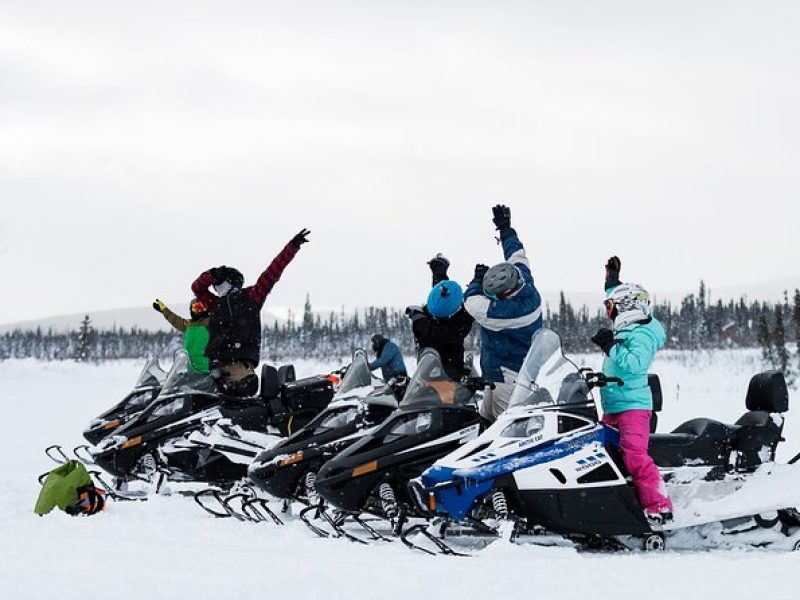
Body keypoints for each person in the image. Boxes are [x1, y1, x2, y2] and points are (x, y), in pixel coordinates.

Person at [591, 256, 673, 525]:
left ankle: (659, 506)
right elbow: (620, 298)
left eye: (612, 307)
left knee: (635, 455)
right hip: (614, 405)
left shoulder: (642, 335)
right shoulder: (630, 326)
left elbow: (635, 364)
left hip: (633, 408)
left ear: (627, 307)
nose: (609, 312)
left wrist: (610, 346)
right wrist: (611, 281)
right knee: (600, 453)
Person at [191, 228, 310, 396]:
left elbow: (272, 272)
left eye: (220, 282)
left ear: (232, 282)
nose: (216, 287)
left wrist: (291, 247)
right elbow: (197, 287)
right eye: (215, 284)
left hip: (239, 367)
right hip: (214, 367)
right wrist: (211, 275)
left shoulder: (251, 297)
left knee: (236, 405)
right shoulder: (215, 304)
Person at [464, 205, 542, 422]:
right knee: (484, 420)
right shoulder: (522, 276)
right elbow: (516, 254)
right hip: (495, 371)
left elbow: (472, 304)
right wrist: (505, 229)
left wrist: (476, 283)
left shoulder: (514, 312)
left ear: (508, 293)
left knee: (505, 431)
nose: (492, 299)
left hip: (511, 376)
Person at [406, 253, 475, 380]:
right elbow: (441, 294)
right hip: (425, 379)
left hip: (449, 382)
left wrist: (418, 317)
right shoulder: (439, 313)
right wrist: (439, 271)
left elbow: (434, 332)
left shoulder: (458, 322)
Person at [152, 298, 210, 374]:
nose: (199, 311)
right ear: (191, 310)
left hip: (208, 371)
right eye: (196, 308)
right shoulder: (189, 325)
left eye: (201, 308)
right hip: (192, 370)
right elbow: (175, 320)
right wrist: (164, 310)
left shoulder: (212, 324)